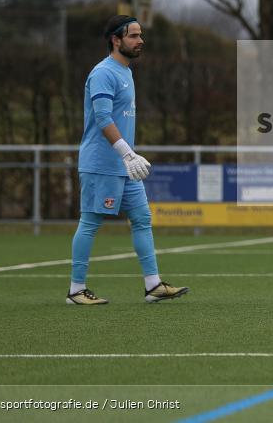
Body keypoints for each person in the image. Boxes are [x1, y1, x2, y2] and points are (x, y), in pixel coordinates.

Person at [67, 15, 189, 305]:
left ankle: (153, 285)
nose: (140, 40)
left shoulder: (126, 72)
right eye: (133, 35)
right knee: (90, 222)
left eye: (140, 35)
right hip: (103, 163)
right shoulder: (103, 73)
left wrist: (127, 156)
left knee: (142, 218)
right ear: (116, 40)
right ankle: (75, 290)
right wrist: (126, 152)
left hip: (124, 165)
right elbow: (102, 118)